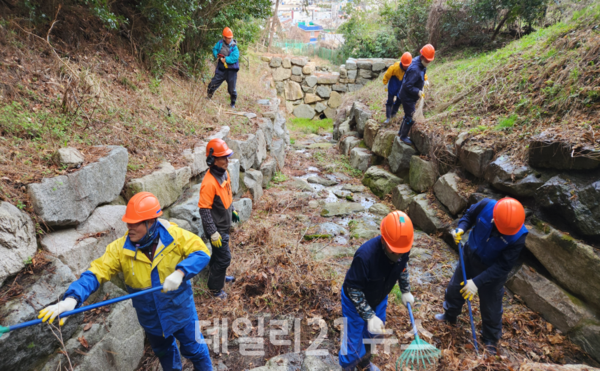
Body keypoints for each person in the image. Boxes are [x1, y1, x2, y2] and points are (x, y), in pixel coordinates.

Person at [38, 192, 213, 371]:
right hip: (151, 320)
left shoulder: (175, 237)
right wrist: (72, 299)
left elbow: (201, 252)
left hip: (182, 313)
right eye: (128, 222)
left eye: (135, 222)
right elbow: (96, 272)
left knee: (196, 350)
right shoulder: (120, 250)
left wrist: (181, 272)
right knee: (165, 354)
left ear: (151, 222)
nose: (130, 227)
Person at [435, 197, 528, 355]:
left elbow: (503, 266)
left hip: (492, 272)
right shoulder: (486, 206)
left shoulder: (518, 236)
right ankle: (450, 315)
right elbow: (469, 216)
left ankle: (490, 340)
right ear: (494, 218)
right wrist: (461, 228)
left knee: (491, 308)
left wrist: (476, 283)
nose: (500, 233)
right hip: (470, 256)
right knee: (454, 289)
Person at [339, 211, 416, 371]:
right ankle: (347, 367)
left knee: (374, 334)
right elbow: (353, 288)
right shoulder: (365, 256)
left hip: (379, 297)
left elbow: (402, 267)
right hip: (356, 302)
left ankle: (364, 363)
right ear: (384, 240)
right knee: (353, 341)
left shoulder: (402, 247)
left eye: (401, 252)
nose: (398, 255)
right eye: (394, 251)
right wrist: (368, 316)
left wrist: (405, 290)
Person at [198, 138, 239, 300]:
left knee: (218, 255)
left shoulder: (224, 174)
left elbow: (228, 195)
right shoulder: (208, 183)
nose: (227, 161)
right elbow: (204, 210)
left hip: (224, 223)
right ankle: (216, 289)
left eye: (227, 157)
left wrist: (233, 210)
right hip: (216, 228)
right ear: (212, 160)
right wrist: (212, 232)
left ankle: (219, 277)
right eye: (223, 158)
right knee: (224, 258)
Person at [397, 44, 435, 145]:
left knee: (407, 115)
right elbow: (407, 85)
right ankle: (403, 136)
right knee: (410, 117)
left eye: (430, 60)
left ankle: (400, 132)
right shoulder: (415, 68)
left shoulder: (421, 64)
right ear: (422, 57)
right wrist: (417, 91)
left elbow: (422, 72)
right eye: (428, 60)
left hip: (410, 95)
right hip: (407, 96)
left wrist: (424, 81)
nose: (429, 62)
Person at [207, 27, 240, 109]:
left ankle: (232, 103)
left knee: (232, 89)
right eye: (228, 38)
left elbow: (235, 57)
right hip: (221, 69)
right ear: (224, 37)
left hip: (231, 71)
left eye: (231, 38)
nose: (230, 39)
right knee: (212, 83)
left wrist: (226, 59)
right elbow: (214, 49)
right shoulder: (220, 43)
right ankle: (208, 97)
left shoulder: (234, 47)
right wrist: (216, 55)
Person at [382, 52, 412, 125]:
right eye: (404, 65)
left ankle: (393, 114)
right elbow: (387, 74)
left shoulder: (411, 67)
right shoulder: (395, 67)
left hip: (402, 86)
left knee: (399, 101)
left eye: (407, 66)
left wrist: (425, 79)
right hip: (393, 84)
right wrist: (385, 82)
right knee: (390, 101)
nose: (405, 67)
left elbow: (419, 71)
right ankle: (388, 118)